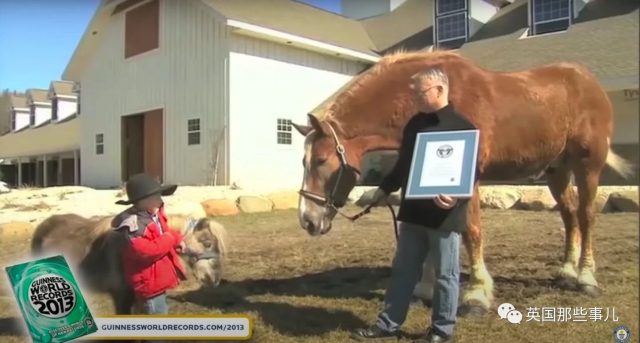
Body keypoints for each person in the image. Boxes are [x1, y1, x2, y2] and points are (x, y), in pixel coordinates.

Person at [351, 68, 478, 343]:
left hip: (445, 216)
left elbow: (472, 171)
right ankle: (387, 325)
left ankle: (442, 331)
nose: (415, 99)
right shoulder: (413, 125)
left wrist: (457, 197)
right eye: (414, 93)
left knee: (446, 275)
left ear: (440, 90)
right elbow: (403, 165)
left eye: (420, 93)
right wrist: (384, 188)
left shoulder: (463, 128)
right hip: (413, 213)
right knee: (403, 271)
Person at [112, 173, 187, 323]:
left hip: (157, 279)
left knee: (156, 314)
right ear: (142, 201)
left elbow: (165, 231)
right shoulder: (133, 225)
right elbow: (145, 251)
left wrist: (177, 239)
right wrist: (169, 240)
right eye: (157, 197)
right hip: (148, 284)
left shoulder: (153, 215)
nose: (161, 200)